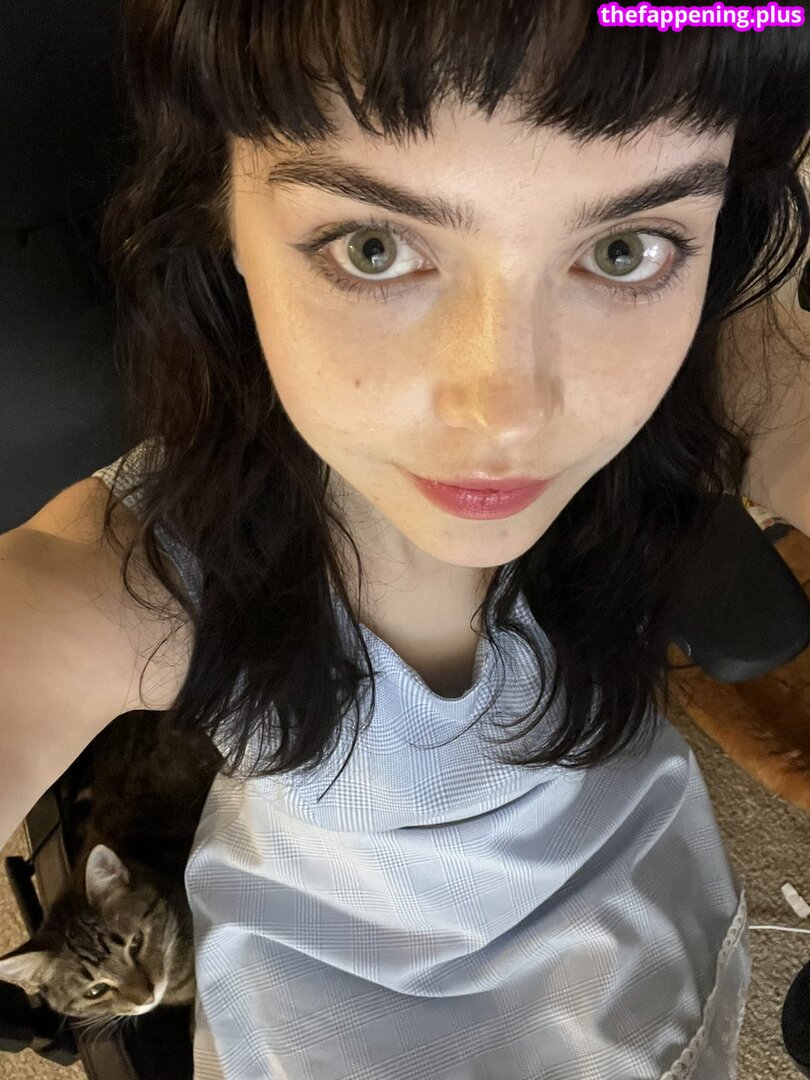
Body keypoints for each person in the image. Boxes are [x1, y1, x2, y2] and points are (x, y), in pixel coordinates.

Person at [1, 2, 808, 1077]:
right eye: (373, 247)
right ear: (221, 212)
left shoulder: (705, 355)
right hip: (340, 1009)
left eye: (622, 248)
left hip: (640, 925)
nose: (509, 417)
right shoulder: (147, 572)